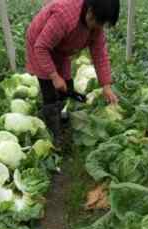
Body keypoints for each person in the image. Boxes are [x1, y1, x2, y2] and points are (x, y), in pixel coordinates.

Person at [25, 0, 120, 143]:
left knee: (67, 86)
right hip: (40, 45)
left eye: (102, 24)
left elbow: (100, 54)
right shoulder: (64, 16)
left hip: (61, 48)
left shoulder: (96, 25)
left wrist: (106, 86)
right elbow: (41, 47)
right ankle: (54, 133)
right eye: (97, 21)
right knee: (49, 90)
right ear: (90, 10)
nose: (98, 27)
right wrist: (54, 76)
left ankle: (60, 113)